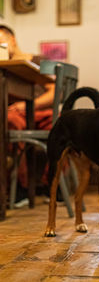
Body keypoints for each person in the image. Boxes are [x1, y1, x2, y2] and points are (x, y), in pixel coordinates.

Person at [0, 25, 55, 203]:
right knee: (8, 123)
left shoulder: (38, 60)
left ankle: (53, 185)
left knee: (61, 127)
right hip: (15, 114)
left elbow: (55, 91)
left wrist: (28, 105)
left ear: (12, 40)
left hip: (41, 111)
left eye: (1, 41)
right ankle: (21, 188)